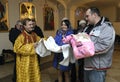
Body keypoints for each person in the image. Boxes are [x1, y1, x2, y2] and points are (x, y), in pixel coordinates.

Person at [83, 7, 115, 82]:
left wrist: (83, 49)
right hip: (87, 64)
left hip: (98, 68)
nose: (86, 18)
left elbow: (104, 46)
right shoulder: (88, 27)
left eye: (87, 16)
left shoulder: (106, 27)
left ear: (94, 15)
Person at [13, 18, 41, 82]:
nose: (32, 26)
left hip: (34, 60)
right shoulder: (21, 36)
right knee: (26, 78)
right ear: (24, 26)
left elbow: (40, 41)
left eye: (32, 24)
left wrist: (47, 41)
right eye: (29, 24)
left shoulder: (34, 35)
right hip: (25, 61)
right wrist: (31, 45)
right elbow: (17, 48)